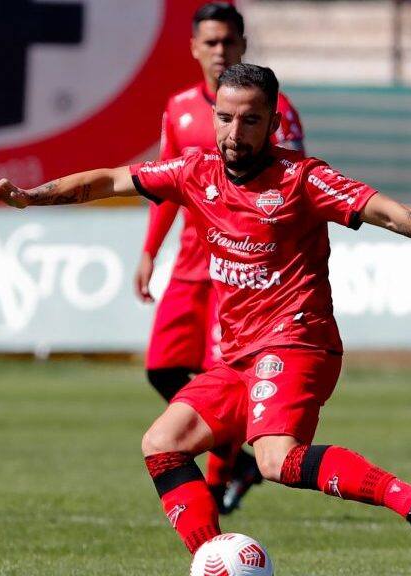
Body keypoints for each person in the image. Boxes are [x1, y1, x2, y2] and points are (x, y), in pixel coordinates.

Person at [0, 63, 411, 565]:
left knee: (275, 459)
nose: (234, 133)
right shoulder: (195, 172)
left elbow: (388, 213)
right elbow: (109, 181)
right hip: (237, 357)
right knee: (162, 445)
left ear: (273, 124)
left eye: (250, 120)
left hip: (297, 342)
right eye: (225, 117)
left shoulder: (302, 179)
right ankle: (213, 560)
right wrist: (30, 197)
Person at [135, 1, 305, 514]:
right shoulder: (180, 108)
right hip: (192, 260)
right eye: (210, 42)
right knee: (161, 368)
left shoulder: (276, 110)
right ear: (193, 47)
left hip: (241, 266)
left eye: (228, 42)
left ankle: (215, 486)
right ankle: (237, 460)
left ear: (243, 46)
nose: (219, 51)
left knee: (223, 373)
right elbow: (164, 187)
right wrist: (149, 252)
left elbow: (293, 188)